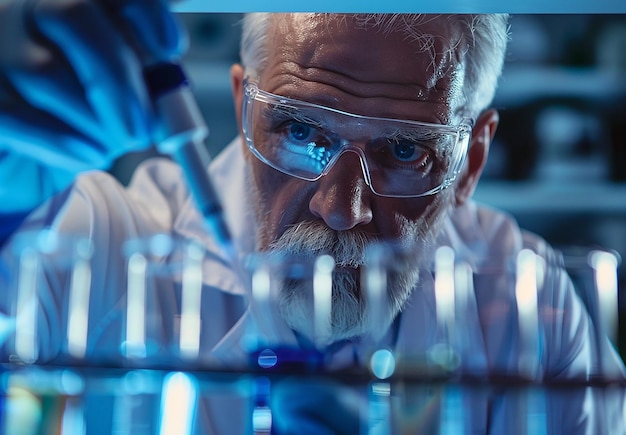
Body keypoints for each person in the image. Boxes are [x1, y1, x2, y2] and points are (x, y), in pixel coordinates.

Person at [0, 2, 625, 433]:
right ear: (246, 106)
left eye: (405, 149)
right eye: (300, 130)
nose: (341, 207)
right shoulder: (104, 246)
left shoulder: (526, 307)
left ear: (471, 161)